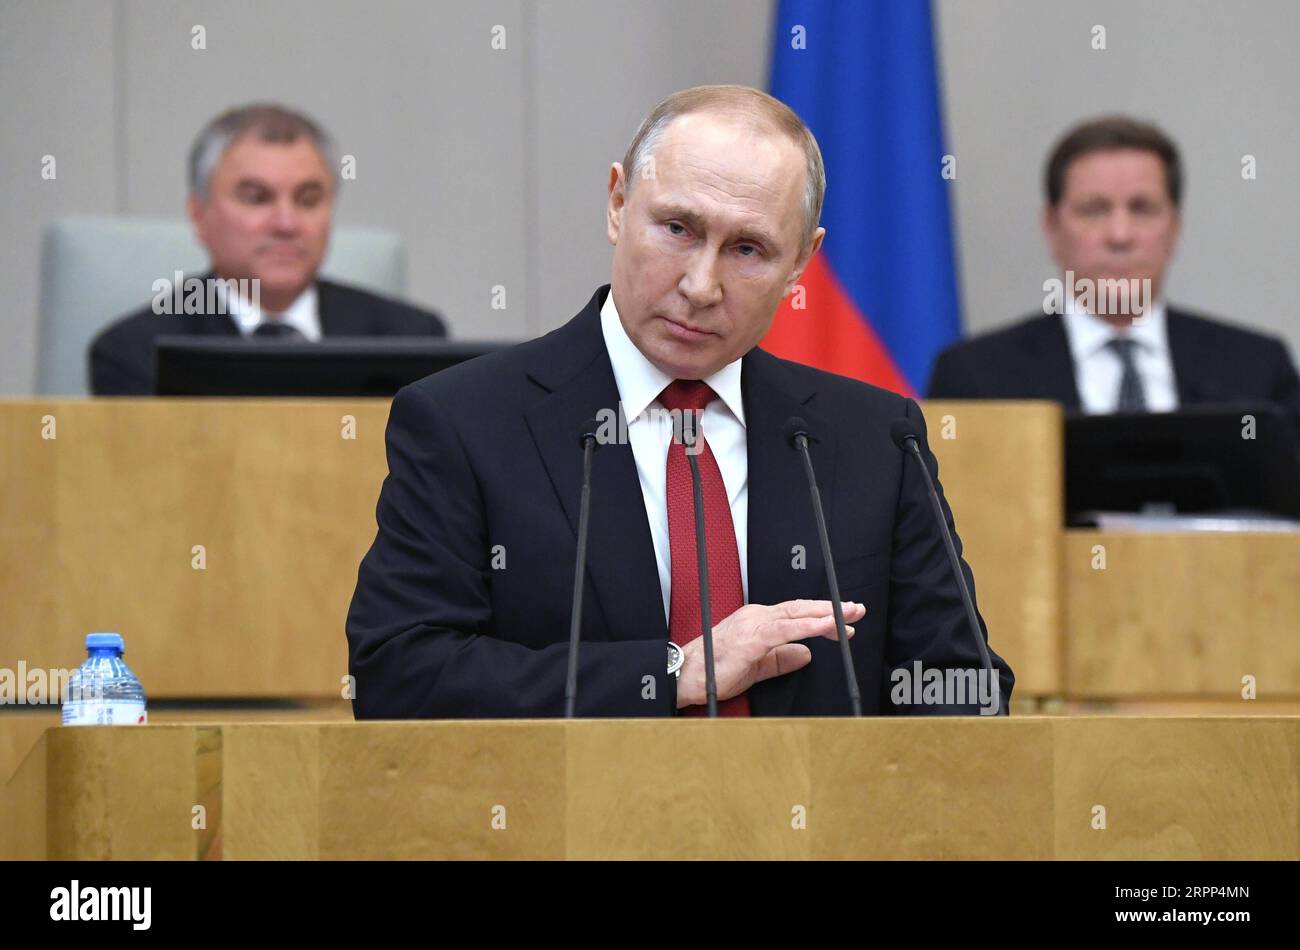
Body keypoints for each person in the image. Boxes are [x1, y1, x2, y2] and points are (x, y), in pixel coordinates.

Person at [347, 85, 1013, 718]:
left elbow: (962, 687)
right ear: (617, 203)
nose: (701, 285)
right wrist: (671, 674)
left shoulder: (874, 437)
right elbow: (400, 675)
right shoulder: (466, 422)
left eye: (748, 249)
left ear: (800, 265)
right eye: (677, 228)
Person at [928, 116, 1299, 416]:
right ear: (1051, 228)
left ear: (1175, 226)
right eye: (1094, 210)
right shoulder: (976, 378)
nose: (1120, 235)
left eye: (1142, 209)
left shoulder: (1257, 370)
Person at [89, 103, 446, 395]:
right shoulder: (138, 352)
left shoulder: (412, 336)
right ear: (199, 216)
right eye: (257, 198)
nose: (286, 224)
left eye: (308, 199)